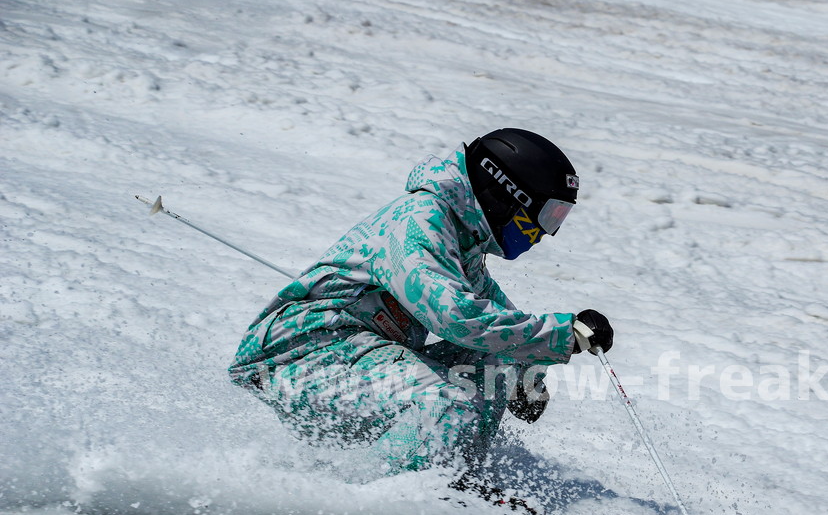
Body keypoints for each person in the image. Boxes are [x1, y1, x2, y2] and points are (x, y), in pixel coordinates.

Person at [227, 128, 613, 478]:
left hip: (356, 358)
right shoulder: (420, 222)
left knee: (498, 361)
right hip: (301, 358)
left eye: (560, 217)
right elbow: (458, 318)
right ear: (508, 192)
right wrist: (563, 334)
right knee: (448, 403)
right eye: (548, 213)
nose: (547, 231)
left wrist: (526, 378)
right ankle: (384, 497)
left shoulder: (462, 237)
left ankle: (459, 480)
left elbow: (496, 315)